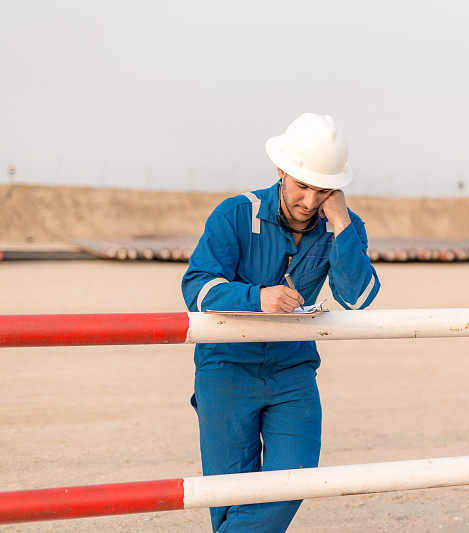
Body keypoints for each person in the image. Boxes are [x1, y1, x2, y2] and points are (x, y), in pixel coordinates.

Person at [181, 112, 380, 532]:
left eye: (323, 190)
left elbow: (358, 297)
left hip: (293, 372)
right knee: (229, 497)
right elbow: (196, 288)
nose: (310, 202)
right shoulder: (234, 213)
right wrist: (256, 298)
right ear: (281, 170)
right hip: (225, 370)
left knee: (294, 479)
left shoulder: (343, 226)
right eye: (303, 185)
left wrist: (341, 223)